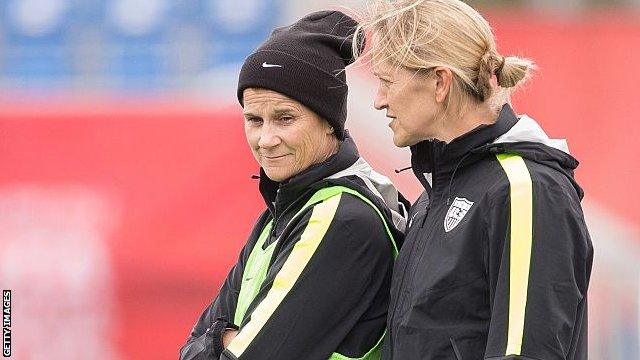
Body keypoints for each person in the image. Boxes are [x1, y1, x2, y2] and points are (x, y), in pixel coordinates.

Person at [353, 1, 594, 359]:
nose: (378, 100)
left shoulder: (525, 189)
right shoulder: (438, 192)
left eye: (387, 82)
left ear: (439, 82)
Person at [179, 11, 407, 360]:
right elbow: (193, 344)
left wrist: (220, 341)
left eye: (285, 118)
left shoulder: (341, 217)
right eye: (254, 120)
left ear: (330, 122)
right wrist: (217, 341)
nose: (266, 140)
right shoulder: (287, 206)